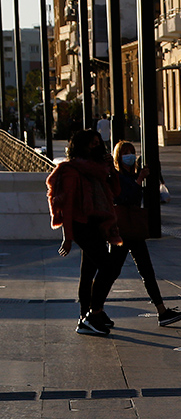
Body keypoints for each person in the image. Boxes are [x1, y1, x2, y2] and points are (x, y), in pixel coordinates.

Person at [46, 129, 122, 336]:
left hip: (98, 224)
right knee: (107, 267)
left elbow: (115, 192)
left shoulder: (98, 170)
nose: (96, 147)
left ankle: (87, 315)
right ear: (81, 146)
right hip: (82, 225)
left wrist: (112, 171)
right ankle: (92, 314)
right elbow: (68, 206)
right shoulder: (72, 170)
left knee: (88, 272)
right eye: (92, 143)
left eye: (98, 143)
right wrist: (67, 237)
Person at [107, 141, 181, 327]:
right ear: (118, 156)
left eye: (131, 152)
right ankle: (94, 309)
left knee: (146, 270)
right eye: (125, 152)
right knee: (112, 271)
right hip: (123, 229)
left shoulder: (132, 173)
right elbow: (125, 197)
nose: (129, 155)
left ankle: (162, 310)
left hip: (133, 229)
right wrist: (139, 179)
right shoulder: (117, 175)